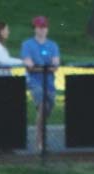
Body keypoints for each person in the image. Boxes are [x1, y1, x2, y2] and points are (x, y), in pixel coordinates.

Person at [20, 15, 60, 151]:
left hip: (50, 82)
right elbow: (29, 66)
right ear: (35, 29)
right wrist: (44, 67)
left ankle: (40, 134)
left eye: (44, 27)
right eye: (39, 27)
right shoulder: (27, 45)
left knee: (47, 109)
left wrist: (41, 67)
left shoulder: (53, 45)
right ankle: (39, 141)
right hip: (35, 81)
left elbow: (55, 65)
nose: (42, 30)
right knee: (42, 106)